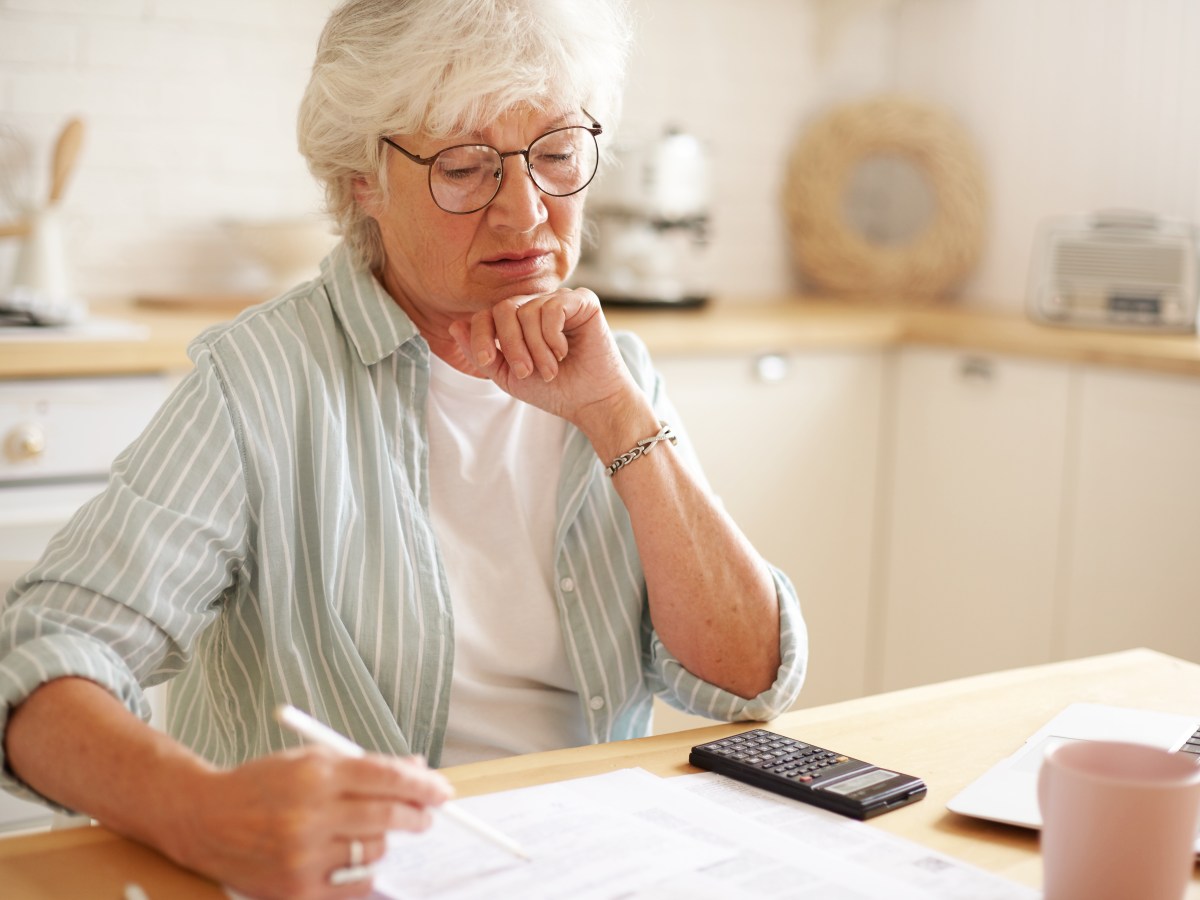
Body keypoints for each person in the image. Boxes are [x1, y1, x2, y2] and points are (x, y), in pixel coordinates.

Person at [0, 0, 807, 897]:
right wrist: (203, 814)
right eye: (464, 166)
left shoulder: (616, 372)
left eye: (555, 153)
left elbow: (747, 682)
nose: (524, 210)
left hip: (580, 865)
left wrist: (618, 417)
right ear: (361, 181)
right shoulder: (263, 379)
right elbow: (39, 661)